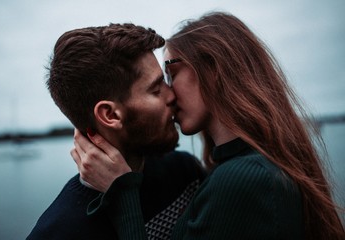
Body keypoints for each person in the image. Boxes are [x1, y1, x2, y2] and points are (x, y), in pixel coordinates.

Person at [73, 12, 345, 239]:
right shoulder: (246, 167)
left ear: (212, 69)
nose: (168, 93)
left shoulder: (242, 178)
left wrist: (122, 193)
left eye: (171, 73)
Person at [26, 23, 206, 240]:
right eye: (156, 89)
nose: (172, 96)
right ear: (110, 115)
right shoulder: (59, 232)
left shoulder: (184, 172)